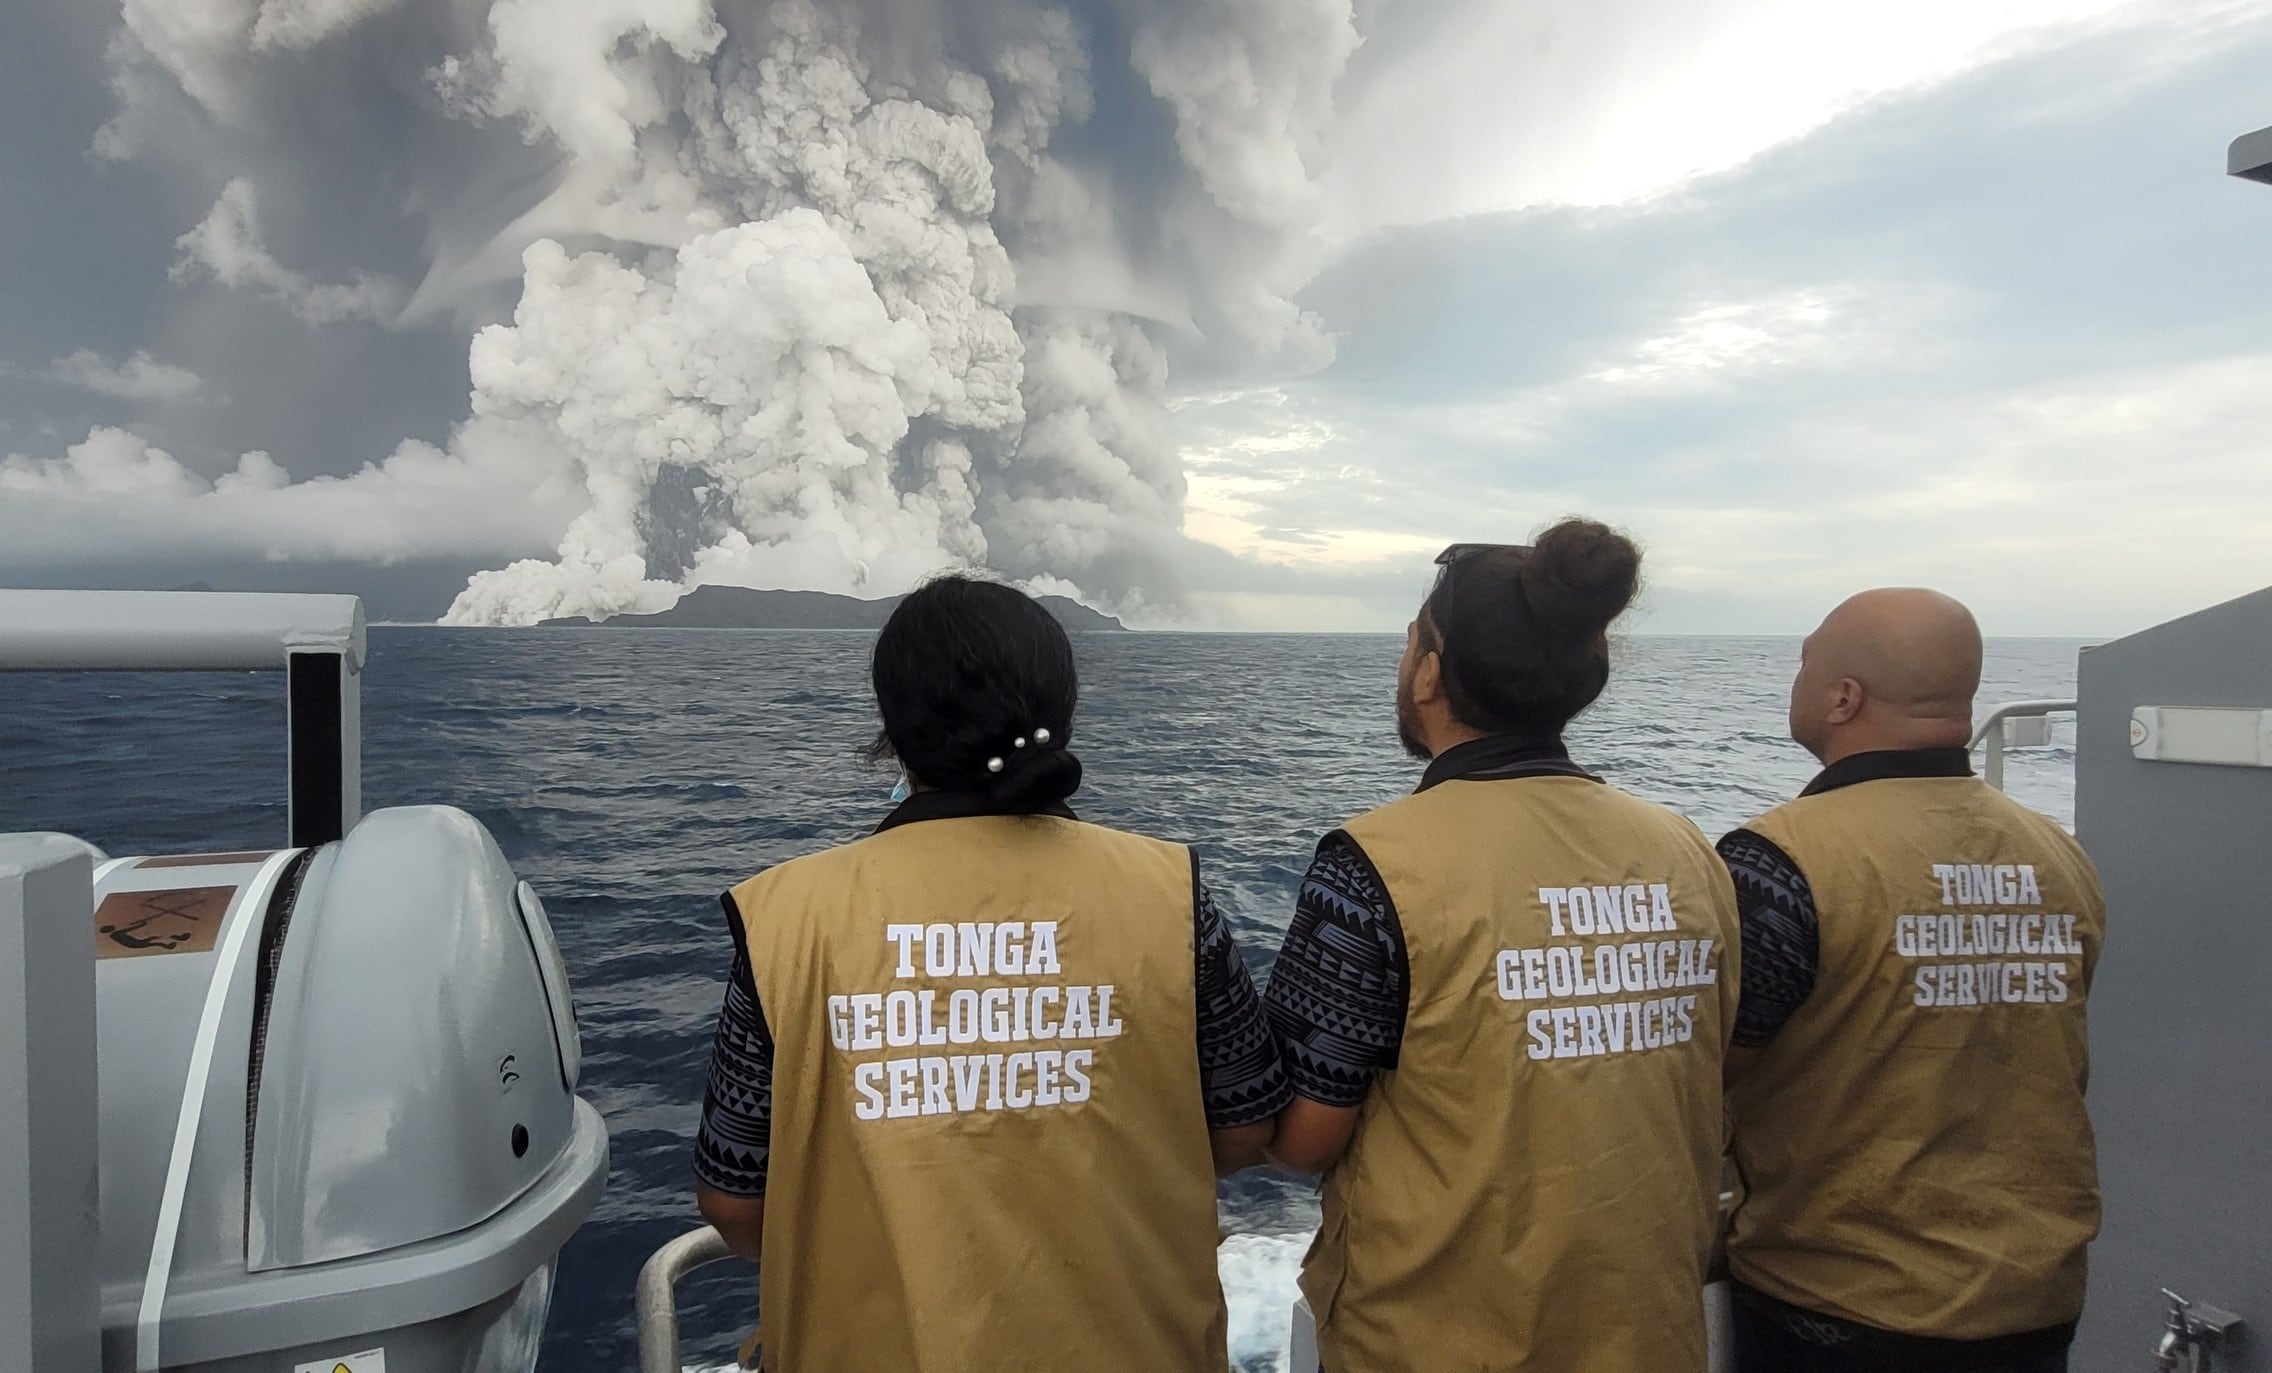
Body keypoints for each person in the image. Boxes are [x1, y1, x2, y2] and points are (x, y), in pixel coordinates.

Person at [691, 575, 1290, 1372]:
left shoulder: (787, 917)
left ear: (893, 730)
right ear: (1063, 713)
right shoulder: (1168, 893)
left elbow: (736, 1202)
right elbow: (1248, 1125)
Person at [1265, 518, 1741, 1373]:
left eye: (1410, 644)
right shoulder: (1691, 852)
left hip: (1434, 1341)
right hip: (1647, 1333)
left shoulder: (1373, 866)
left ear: (1431, 675)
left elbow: (1305, 1137)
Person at [1719, 588, 2104, 1373]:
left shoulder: (1779, 861)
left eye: (1803, 661)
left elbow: (1712, 1069)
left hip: (1839, 1302)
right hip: (2034, 1303)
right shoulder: (2059, 855)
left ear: (1843, 696)